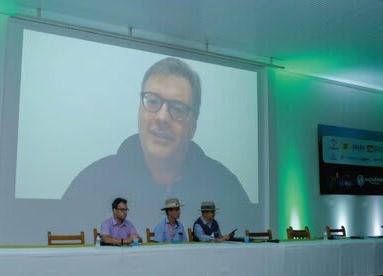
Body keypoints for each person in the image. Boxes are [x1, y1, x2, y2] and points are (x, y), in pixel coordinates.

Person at [62, 57, 252, 232]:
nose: (162, 118)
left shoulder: (226, 184)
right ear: (138, 109)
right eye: (152, 101)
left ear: (194, 125)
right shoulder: (90, 182)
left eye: (177, 108)